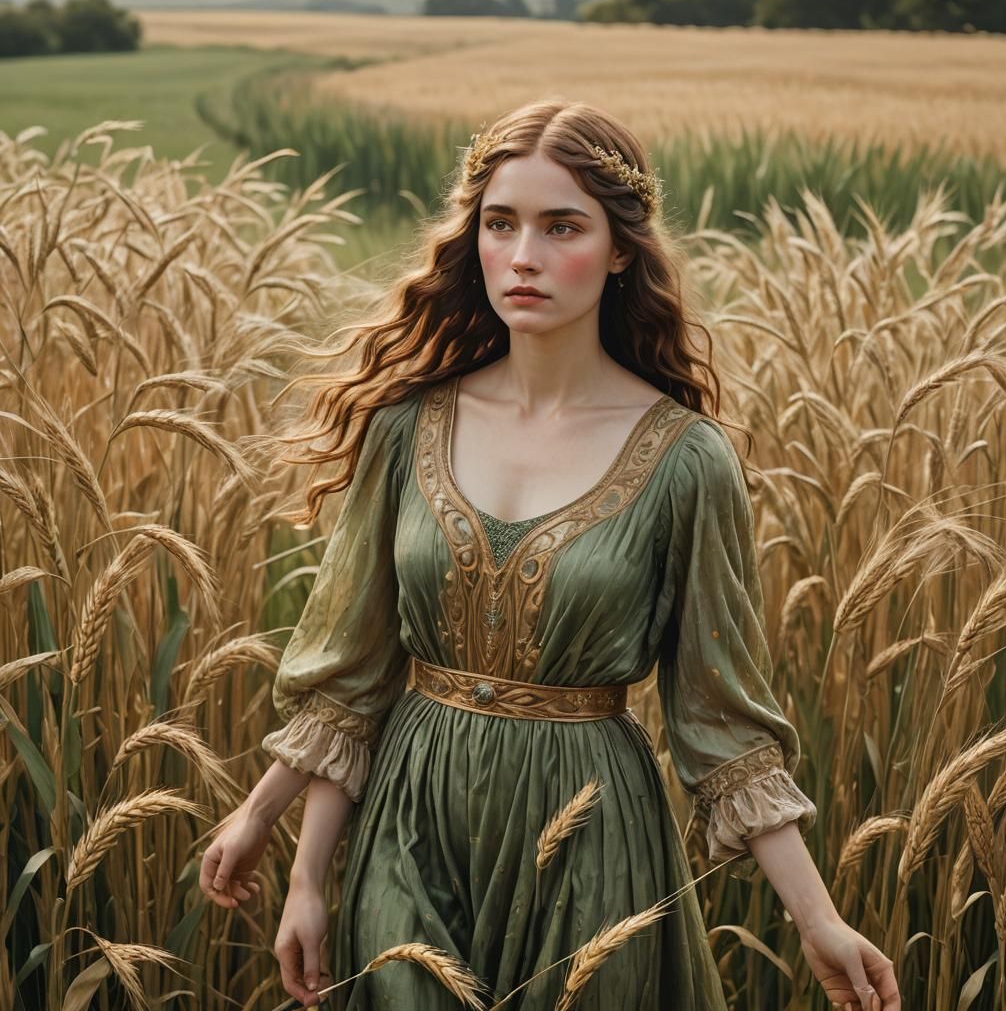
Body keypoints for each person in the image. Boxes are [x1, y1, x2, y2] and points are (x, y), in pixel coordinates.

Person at [199, 98, 900, 1011]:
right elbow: (353, 678)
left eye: (561, 226)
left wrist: (818, 919)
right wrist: (285, 850)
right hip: (410, 823)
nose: (523, 255)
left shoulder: (687, 460)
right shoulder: (405, 427)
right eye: (500, 223)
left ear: (620, 251)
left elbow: (725, 726)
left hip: (591, 838)